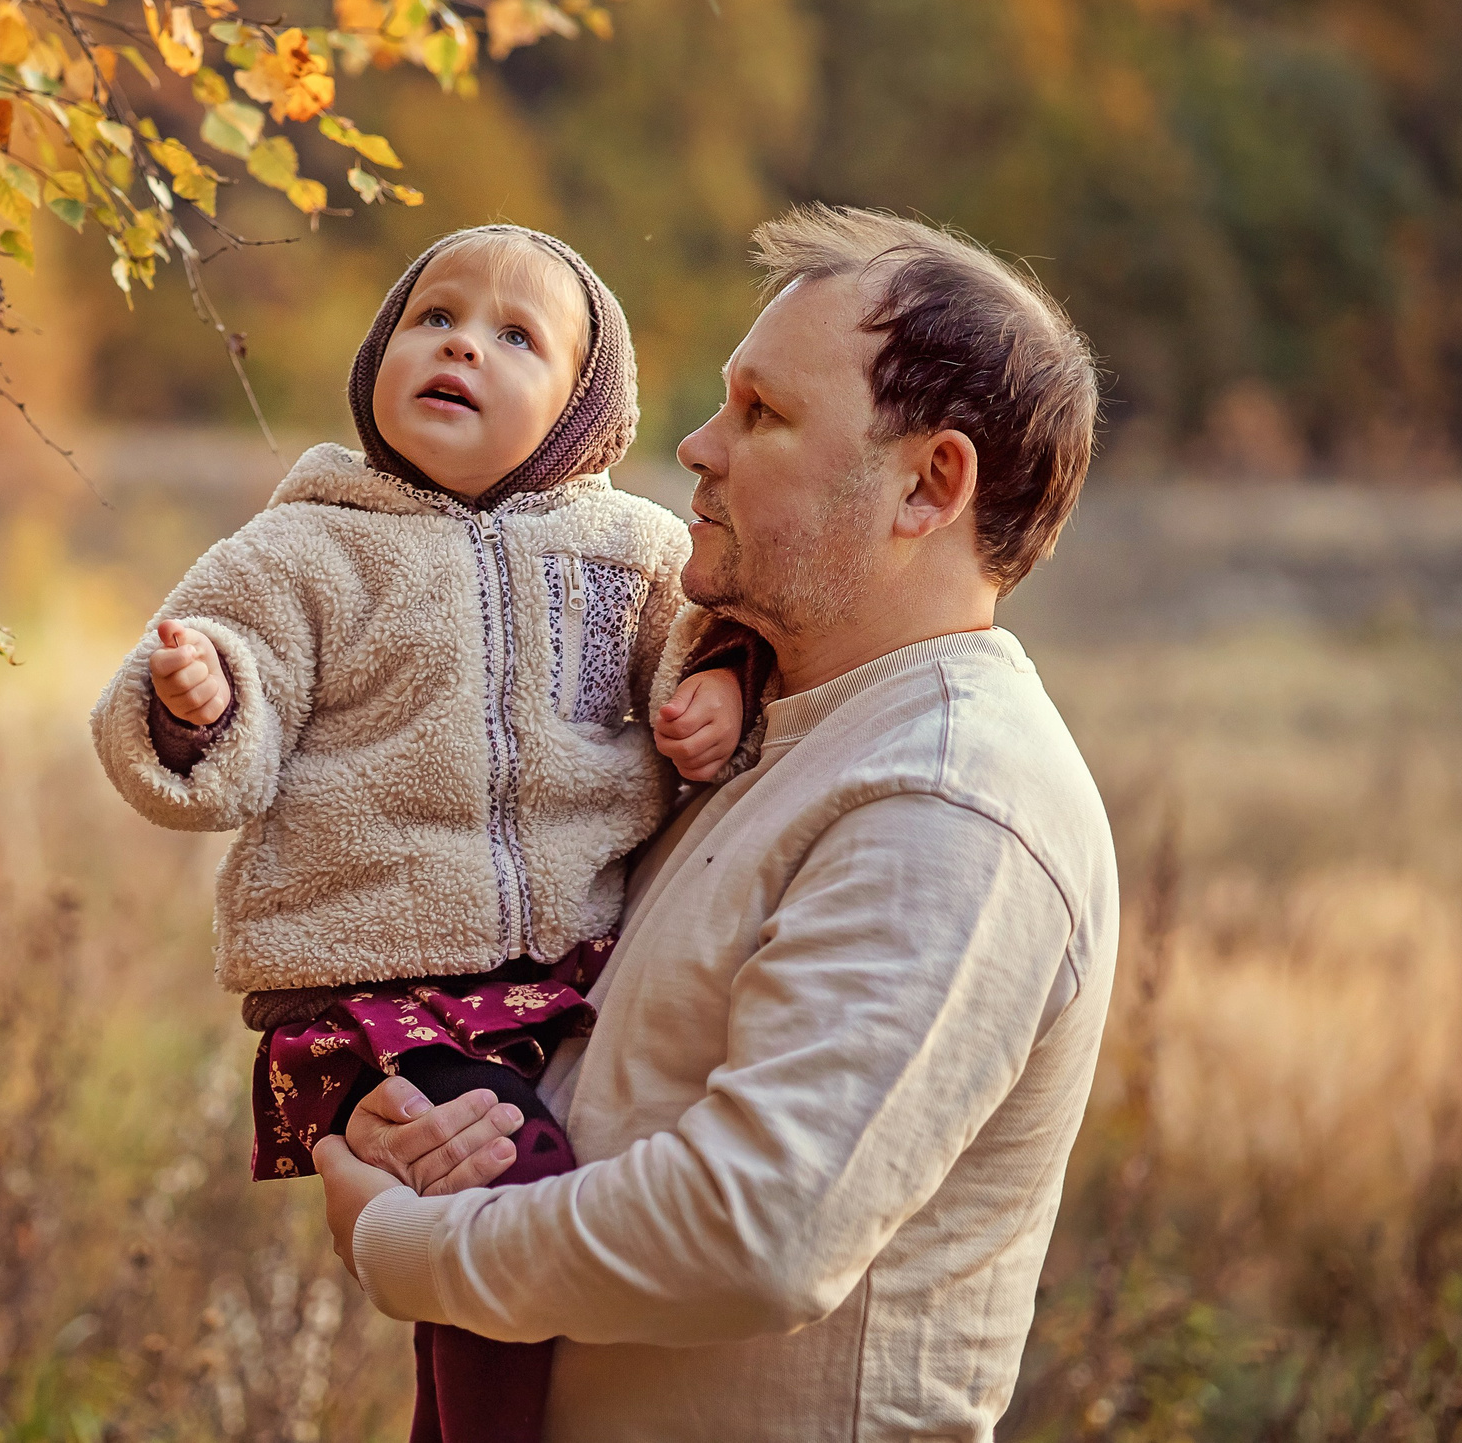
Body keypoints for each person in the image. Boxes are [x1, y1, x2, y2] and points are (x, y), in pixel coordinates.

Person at [312, 204, 1118, 1443]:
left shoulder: (946, 798)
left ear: (928, 484)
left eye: (763, 414)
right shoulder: (762, 728)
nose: (697, 445)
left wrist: (409, 1243)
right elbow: (624, 1082)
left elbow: (759, 1229)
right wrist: (439, 1131)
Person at [89, 225, 763, 1443]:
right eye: (433, 317)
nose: (462, 343)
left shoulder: (629, 552)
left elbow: (705, 637)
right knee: (503, 1185)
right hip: (372, 979)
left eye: (516, 337)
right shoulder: (306, 545)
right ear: (377, 360)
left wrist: (715, 684)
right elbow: (226, 678)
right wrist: (198, 701)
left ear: (581, 412)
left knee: (554, 1197)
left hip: (570, 974)